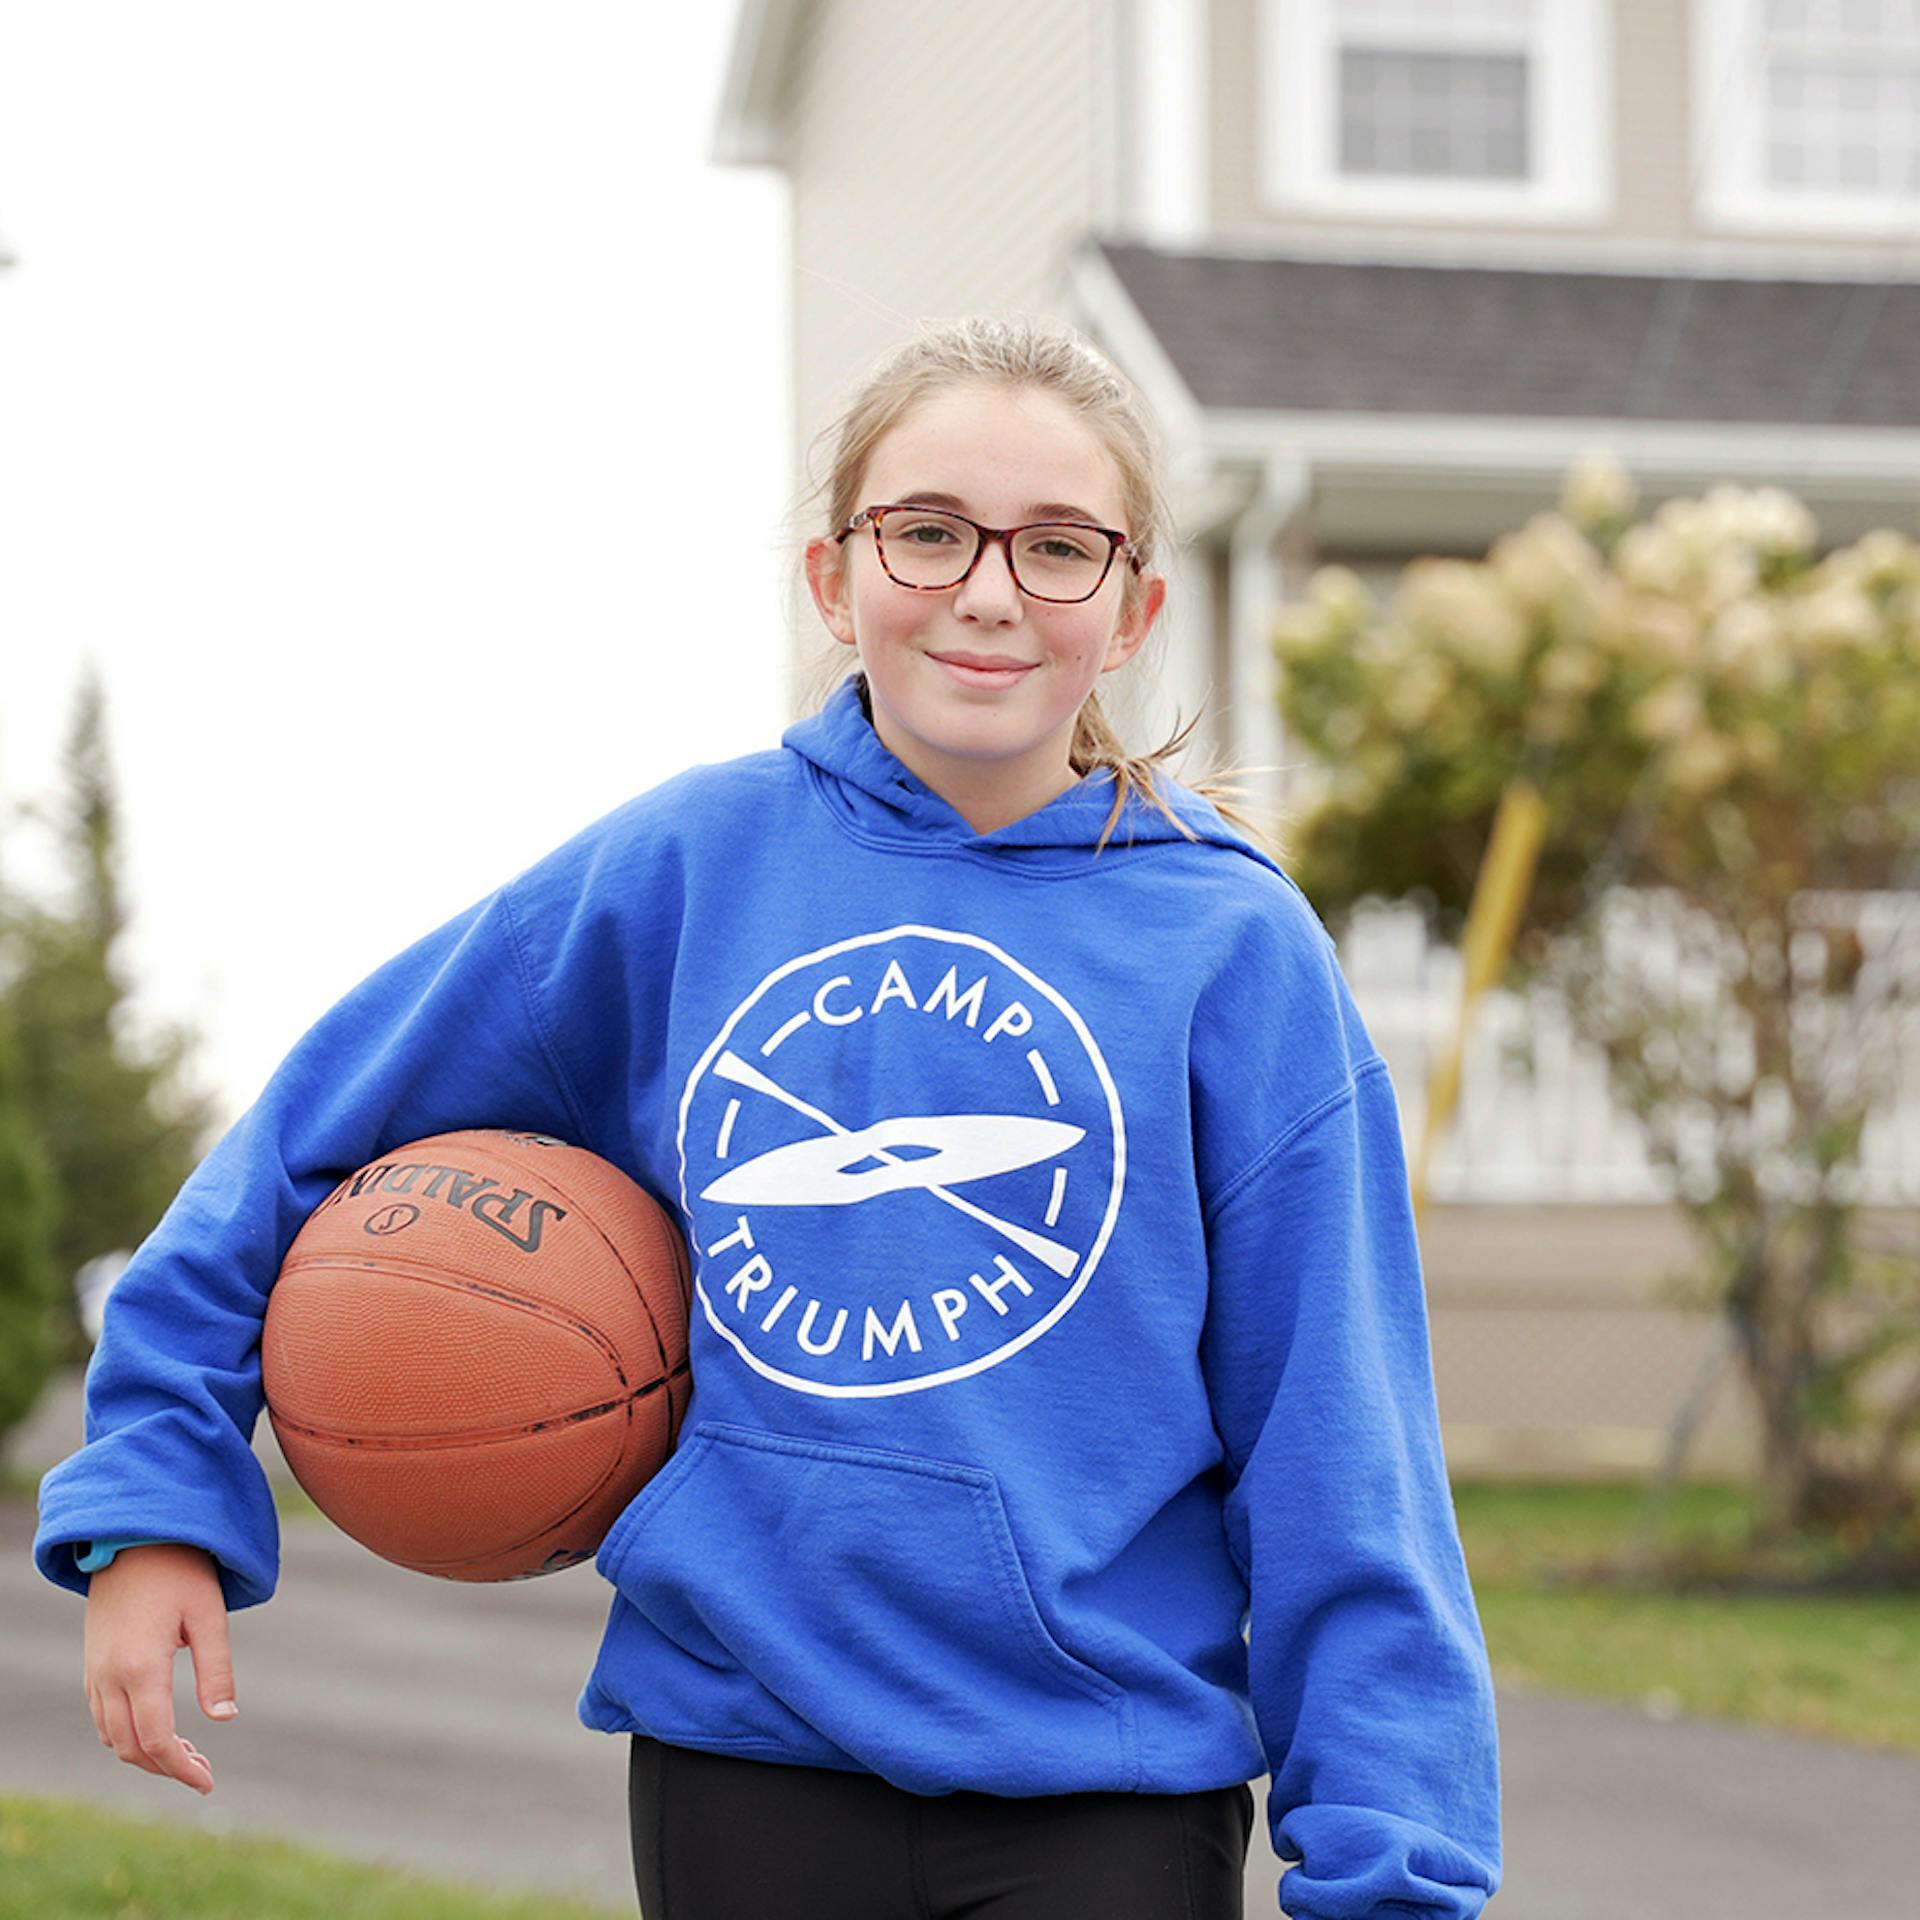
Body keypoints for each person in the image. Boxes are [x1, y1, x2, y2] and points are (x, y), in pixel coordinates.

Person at [35, 314, 1503, 1919]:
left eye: (1057, 547)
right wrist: (158, 1494)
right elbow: (308, 1135)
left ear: (1135, 605)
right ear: (834, 576)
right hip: (747, 1753)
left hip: (1106, 1786)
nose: (989, 589)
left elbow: (1339, 1431)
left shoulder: (1230, 949)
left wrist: (1393, 1861)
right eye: (928, 533)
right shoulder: (688, 869)